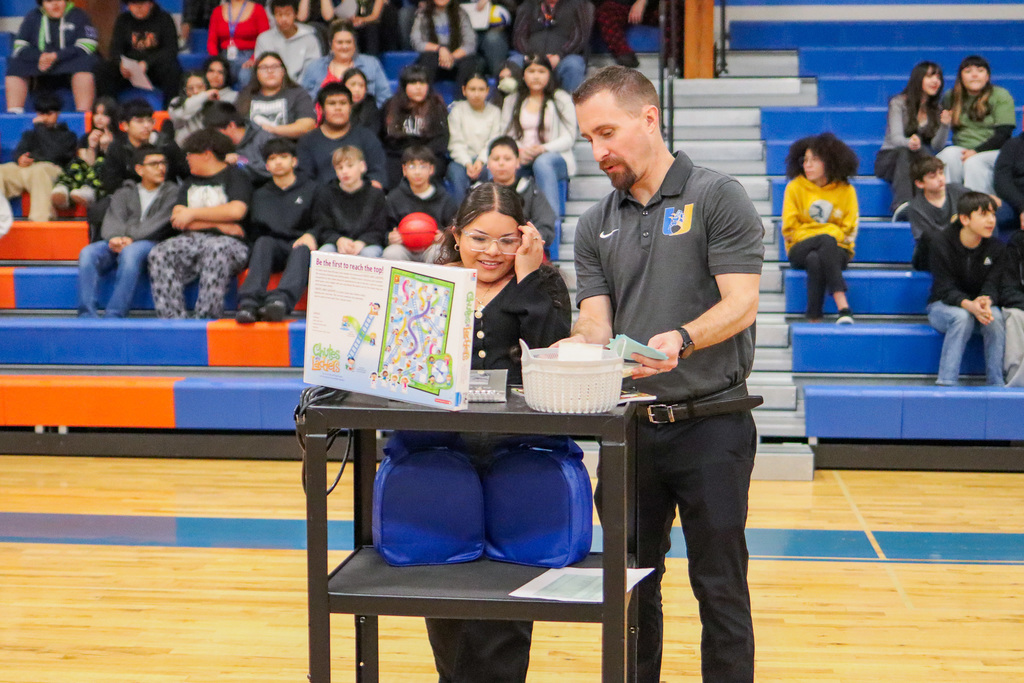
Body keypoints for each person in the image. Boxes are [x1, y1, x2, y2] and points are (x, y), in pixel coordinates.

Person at [567, 66, 764, 683]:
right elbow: (596, 329)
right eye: (588, 139)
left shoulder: (716, 195)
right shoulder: (593, 221)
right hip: (630, 433)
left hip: (713, 425)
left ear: (648, 118)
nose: (598, 151)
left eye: (607, 132)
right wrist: (557, 349)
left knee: (720, 587)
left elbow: (742, 303)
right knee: (628, 590)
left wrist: (682, 338)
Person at [422, 182, 569, 683]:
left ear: (526, 238)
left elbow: (551, 353)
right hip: (439, 452)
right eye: (481, 238)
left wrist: (528, 279)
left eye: (508, 240)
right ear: (457, 234)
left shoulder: (544, 285)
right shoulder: (430, 280)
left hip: (518, 454)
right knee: (442, 580)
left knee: (509, 582)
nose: (493, 252)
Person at [147, 129, 253, 319]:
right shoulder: (189, 182)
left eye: (190, 154)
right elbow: (179, 219)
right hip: (194, 239)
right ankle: (173, 321)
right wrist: (219, 225)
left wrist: (193, 214)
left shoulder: (235, 176)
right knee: (160, 253)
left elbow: (236, 211)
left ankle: (206, 318)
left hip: (230, 244)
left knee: (217, 247)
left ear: (206, 155)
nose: (187, 158)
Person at [77, 144, 177, 318]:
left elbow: (159, 223)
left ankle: (114, 314)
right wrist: (116, 237)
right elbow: (113, 218)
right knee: (88, 252)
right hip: (120, 241)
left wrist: (130, 238)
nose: (161, 168)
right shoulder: (124, 192)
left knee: (131, 253)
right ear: (139, 169)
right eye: (154, 164)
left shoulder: (173, 193)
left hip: (153, 242)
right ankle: (87, 314)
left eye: (163, 163)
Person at [927, 191, 1006, 387]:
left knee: (994, 318)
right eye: (984, 214)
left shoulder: (997, 248)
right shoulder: (941, 242)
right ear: (965, 219)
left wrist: (985, 300)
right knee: (961, 318)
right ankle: (946, 382)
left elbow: (994, 283)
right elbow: (944, 287)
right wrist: (968, 305)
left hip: (977, 306)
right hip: (942, 306)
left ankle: (996, 383)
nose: (991, 221)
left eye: (993, 215)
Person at [236, 137, 318, 323]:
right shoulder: (260, 195)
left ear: (294, 161)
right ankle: (249, 304)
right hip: (272, 249)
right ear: (266, 166)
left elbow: (322, 222)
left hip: (299, 246)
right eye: (272, 159)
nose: (278, 162)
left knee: (303, 248)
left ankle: (279, 302)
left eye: (283, 156)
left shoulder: (312, 189)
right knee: (263, 242)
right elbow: (254, 230)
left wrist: (312, 234)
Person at [781, 133, 860, 323]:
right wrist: (828, 231)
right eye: (805, 160)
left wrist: (812, 230)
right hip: (799, 248)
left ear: (830, 162)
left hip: (839, 251)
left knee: (816, 259)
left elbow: (849, 231)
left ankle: (814, 317)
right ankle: (842, 305)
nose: (807, 165)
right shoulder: (794, 188)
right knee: (825, 240)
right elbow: (790, 229)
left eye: (814, 160)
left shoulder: (846, 190)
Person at [92, 99, 189, 241]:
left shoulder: (166, 145)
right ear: (125, 125)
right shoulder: (117, 147)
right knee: (100, 209)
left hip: (162, 197)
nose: (146, 126)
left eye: (150, 121)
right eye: (139, 121)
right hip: (129, 197)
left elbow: (185, 173)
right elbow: (110, 182)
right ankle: (108, 244)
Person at [499, 54, 577, 217]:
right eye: (531, 71)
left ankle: (550, 224)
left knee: (542, 162)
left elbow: (569, 137)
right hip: (522, 156)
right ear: (523, 74)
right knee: (499, 165)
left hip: (554, 157)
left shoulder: (561, 99)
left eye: (541, 71)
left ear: (549, 74)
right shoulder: (512, 100)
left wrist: (542, 149)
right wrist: (519, 152)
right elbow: (506, 135)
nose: (536, 76)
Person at [875, 61, 951, 217]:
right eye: (930, 76)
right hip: (890, 158)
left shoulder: (936, 109)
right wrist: (909, 142)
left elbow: (937, 145)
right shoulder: (898, 103)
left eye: (938, 77)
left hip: (918, 158)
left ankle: (932, 206)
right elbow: (895, 138)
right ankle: (902, 205)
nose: (936, 81)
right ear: (918, 79)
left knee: (924, 156)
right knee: (906, 151)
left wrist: (944, 126)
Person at [937, 55, 1017, 195]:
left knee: (974, 162)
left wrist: (976, 151)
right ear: (961, 77)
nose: (974, 75)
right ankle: (953, 205)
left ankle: (978, 209)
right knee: (947, 155)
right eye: (968, 71)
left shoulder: (1001, 95)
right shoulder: (951, 97)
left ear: (987, 76)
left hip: (994, 151)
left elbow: (1004, 133)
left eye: (980, 70)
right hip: (963, 149)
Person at [6, 0, 98, 113]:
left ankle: (83, 113)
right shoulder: (33, 16)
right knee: (16, 64)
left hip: (68, 60)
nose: (55, 4)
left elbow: (88, 44)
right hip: (40, 62)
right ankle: (14, 112)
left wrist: (57, 56)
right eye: (49, 1)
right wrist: (39, 57)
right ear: (42, 4)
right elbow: (19, 45)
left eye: (59, 0)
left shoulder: (79, 15)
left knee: (85, 63)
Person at [0, 92, 77, 222]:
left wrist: (40, 127)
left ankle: (39, 221)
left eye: (49, 114)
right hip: (28, 170)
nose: (44, 118)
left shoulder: (68, 135)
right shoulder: (30, 134)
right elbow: (20, 151)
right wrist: (20, 158)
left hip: (53, 171)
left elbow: (54, 155)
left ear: (57, 114)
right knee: (2, 170)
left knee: (39, 170)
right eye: (41, 114)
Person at [295, 82, 387, 186]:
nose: (338, 108)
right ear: (321, 109)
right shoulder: (308, 141)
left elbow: (377, 175)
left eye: (343, 103)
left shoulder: (367, 137)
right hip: (322, 199)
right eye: (332, 103)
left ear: (350, 108)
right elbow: (305, 181)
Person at [95, 0, 182, 108]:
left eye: (142, 4)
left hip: (155, 67)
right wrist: (121, 63)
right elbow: (115, 49)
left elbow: (171, 49)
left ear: (151, 4)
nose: (138, 8)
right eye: (134, 4)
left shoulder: (164, 19)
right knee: (102, 69)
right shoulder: (123, 20)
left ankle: (169, 111)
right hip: (129, 70)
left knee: (173, 69)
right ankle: (110, 111)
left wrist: (147, 63)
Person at [383, 146, 458, 261]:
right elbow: (384, 228)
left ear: (431, 169)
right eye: (412, 166)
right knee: (391, 253)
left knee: (438, 252)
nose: (417, 172)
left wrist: (445, 238)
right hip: (404, 248)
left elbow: (454, 229)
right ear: (404, 170)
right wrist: (390, 237)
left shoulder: (445, 199)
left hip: (432, 247)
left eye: (423, 166)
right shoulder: (394, 197)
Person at [381, 65, 451, 189]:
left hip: (429, 155)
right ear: (404, 86)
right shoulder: (390, 106)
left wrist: (421, 155)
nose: (418, 88)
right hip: (398, 155)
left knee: (433, 169)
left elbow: (442, 139)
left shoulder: (437, 106)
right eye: (413, 83)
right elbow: (384, 138)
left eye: (422, 83)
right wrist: (408, 156)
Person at [311, 146, 387, 257]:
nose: (345, 171)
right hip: (337, 244)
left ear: (362, 166)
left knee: (369, 254)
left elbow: (379, 229)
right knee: (325, 252)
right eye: (340, 168)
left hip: (367, 244)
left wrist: (362, 242)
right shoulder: (326, 193)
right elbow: (322, 227)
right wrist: (338, 240)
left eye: (350, 166)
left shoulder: (376, 194)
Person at [298, 19, 391, 108]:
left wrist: (371, 115)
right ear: (331, 44)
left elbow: (385, 98)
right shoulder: (314, 67)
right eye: (340, 42)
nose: (345, 46)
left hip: (364, 120)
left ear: (355, 43)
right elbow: (304, 101)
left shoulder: (371, 64)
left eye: (348, 42)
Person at [485, 136, 556, 247]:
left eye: (507, 159)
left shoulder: (532, 191)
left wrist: (524, 242)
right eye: (496, 159)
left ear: (517, 162)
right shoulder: (478, 193)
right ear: (488, 163)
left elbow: (546, 228)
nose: (501, 163)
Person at [510, 0, 592, 94]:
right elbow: (519, 36)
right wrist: (533, 57)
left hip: (564, 58)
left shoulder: (580, 4)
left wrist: (559, 56)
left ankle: (570, 104)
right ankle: (513, 103)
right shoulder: (528, 5)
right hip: (531, 57)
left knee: (574, 65)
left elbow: (580, 37)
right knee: (514, 62)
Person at [52, 97, 118, 212]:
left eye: (104, 115)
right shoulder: (86, 137)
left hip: (109, 177)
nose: (99, 119)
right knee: (76, 163)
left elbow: (118, 162)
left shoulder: (120, 137)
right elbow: (87, 164)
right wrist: (92, 147)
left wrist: (108, 148)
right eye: (96, 114)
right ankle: (63, 187)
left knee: (102, 161)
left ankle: (90, 190)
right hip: (88, 174)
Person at [447, 72, 502, 203]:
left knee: (493, 171)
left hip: (486, 160)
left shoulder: (495, 112)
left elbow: (493, 141)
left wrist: (480, 161)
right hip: (461, 161)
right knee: (456, 173)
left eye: (481, 89)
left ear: (488, 91)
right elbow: (455, 142)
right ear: (464, 90)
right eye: (472, 89)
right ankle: (460, 217)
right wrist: (467, 163)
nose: (477, 94)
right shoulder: (456, 111)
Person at [236, 52, 318, 139]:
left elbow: (307, 126)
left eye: (275, 67)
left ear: (283, 71)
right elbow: (235, 128)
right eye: (264, 68)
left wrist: (272, 130)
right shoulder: (245, 95)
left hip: (287, 148)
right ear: (256, 73)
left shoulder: (298, 93)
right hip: (251, 150)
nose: (270, 71)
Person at [908, 156, 969, 272]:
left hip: (959, 248)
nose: (940, 179)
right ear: (920, 183)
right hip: (929, 255)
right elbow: (928, 240)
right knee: (931, 236)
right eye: (933, 176)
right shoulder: (915, 207)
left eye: (941, 173)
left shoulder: (959, 191)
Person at [202, 101, 279, 186]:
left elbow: (272, 171)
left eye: (216, 132)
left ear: (231, 125)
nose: (214, 137)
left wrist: (240, 160)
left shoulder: (265, 138)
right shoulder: (218, 145)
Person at [594, 0, 682, 70]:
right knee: (604, 13)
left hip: (654, 7)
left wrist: (642, 1)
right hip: (622, 5)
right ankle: (624, 55)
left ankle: (673, 60)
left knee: (675, 10)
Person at [411, 0, 482, 86]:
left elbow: (470, 43)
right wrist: (440, 49)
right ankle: (427, 97)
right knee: (428, 58)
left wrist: (451, 57)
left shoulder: (461, 13)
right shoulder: (422, 14)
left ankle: (460, 99)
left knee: (470, 61)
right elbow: (417, 42)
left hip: (456, 59)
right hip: (434, 59)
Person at [254, 0, 323, 81]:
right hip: (272, 85)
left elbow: (313, 69)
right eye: (279, 15)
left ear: (295, 15)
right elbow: (261, 68)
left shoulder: (310, 39)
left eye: (288, 14)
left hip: (301, 88)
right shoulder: (264, 39)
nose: (283, 19)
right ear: (273, 16)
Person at [208, 0, 271, 87]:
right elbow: (212, 41)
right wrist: (216, 60)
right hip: (224, 56)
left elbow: (265, 39)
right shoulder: (217, 11)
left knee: (245, 75)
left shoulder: (258, 10)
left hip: (249, 56)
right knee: (217, 74)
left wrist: (254, 59)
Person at [999, 228, 1024, 386]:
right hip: (1019, 306)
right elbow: (1007, 290)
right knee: (1015, 316)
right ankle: (1016, 384)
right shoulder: (1017, 244)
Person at [994, 110, 1024, 234]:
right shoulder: (1012, 145)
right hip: (1015, 205)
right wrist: (1022, 206)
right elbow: (1002, 181)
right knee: (986, 218)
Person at [168, 71, 213, 146]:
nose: (195, 91)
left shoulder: (213, 103)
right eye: (190, 88)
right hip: (183, 147)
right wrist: (204, 95)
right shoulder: (176, 103)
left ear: (206, 87)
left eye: (200, 87)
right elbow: (184, 113)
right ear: (184, 90)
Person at [343, 67, 382, 134]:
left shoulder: (371, 108)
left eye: (361, 86)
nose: (357, 90)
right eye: (352, 85)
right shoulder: (337, 106)